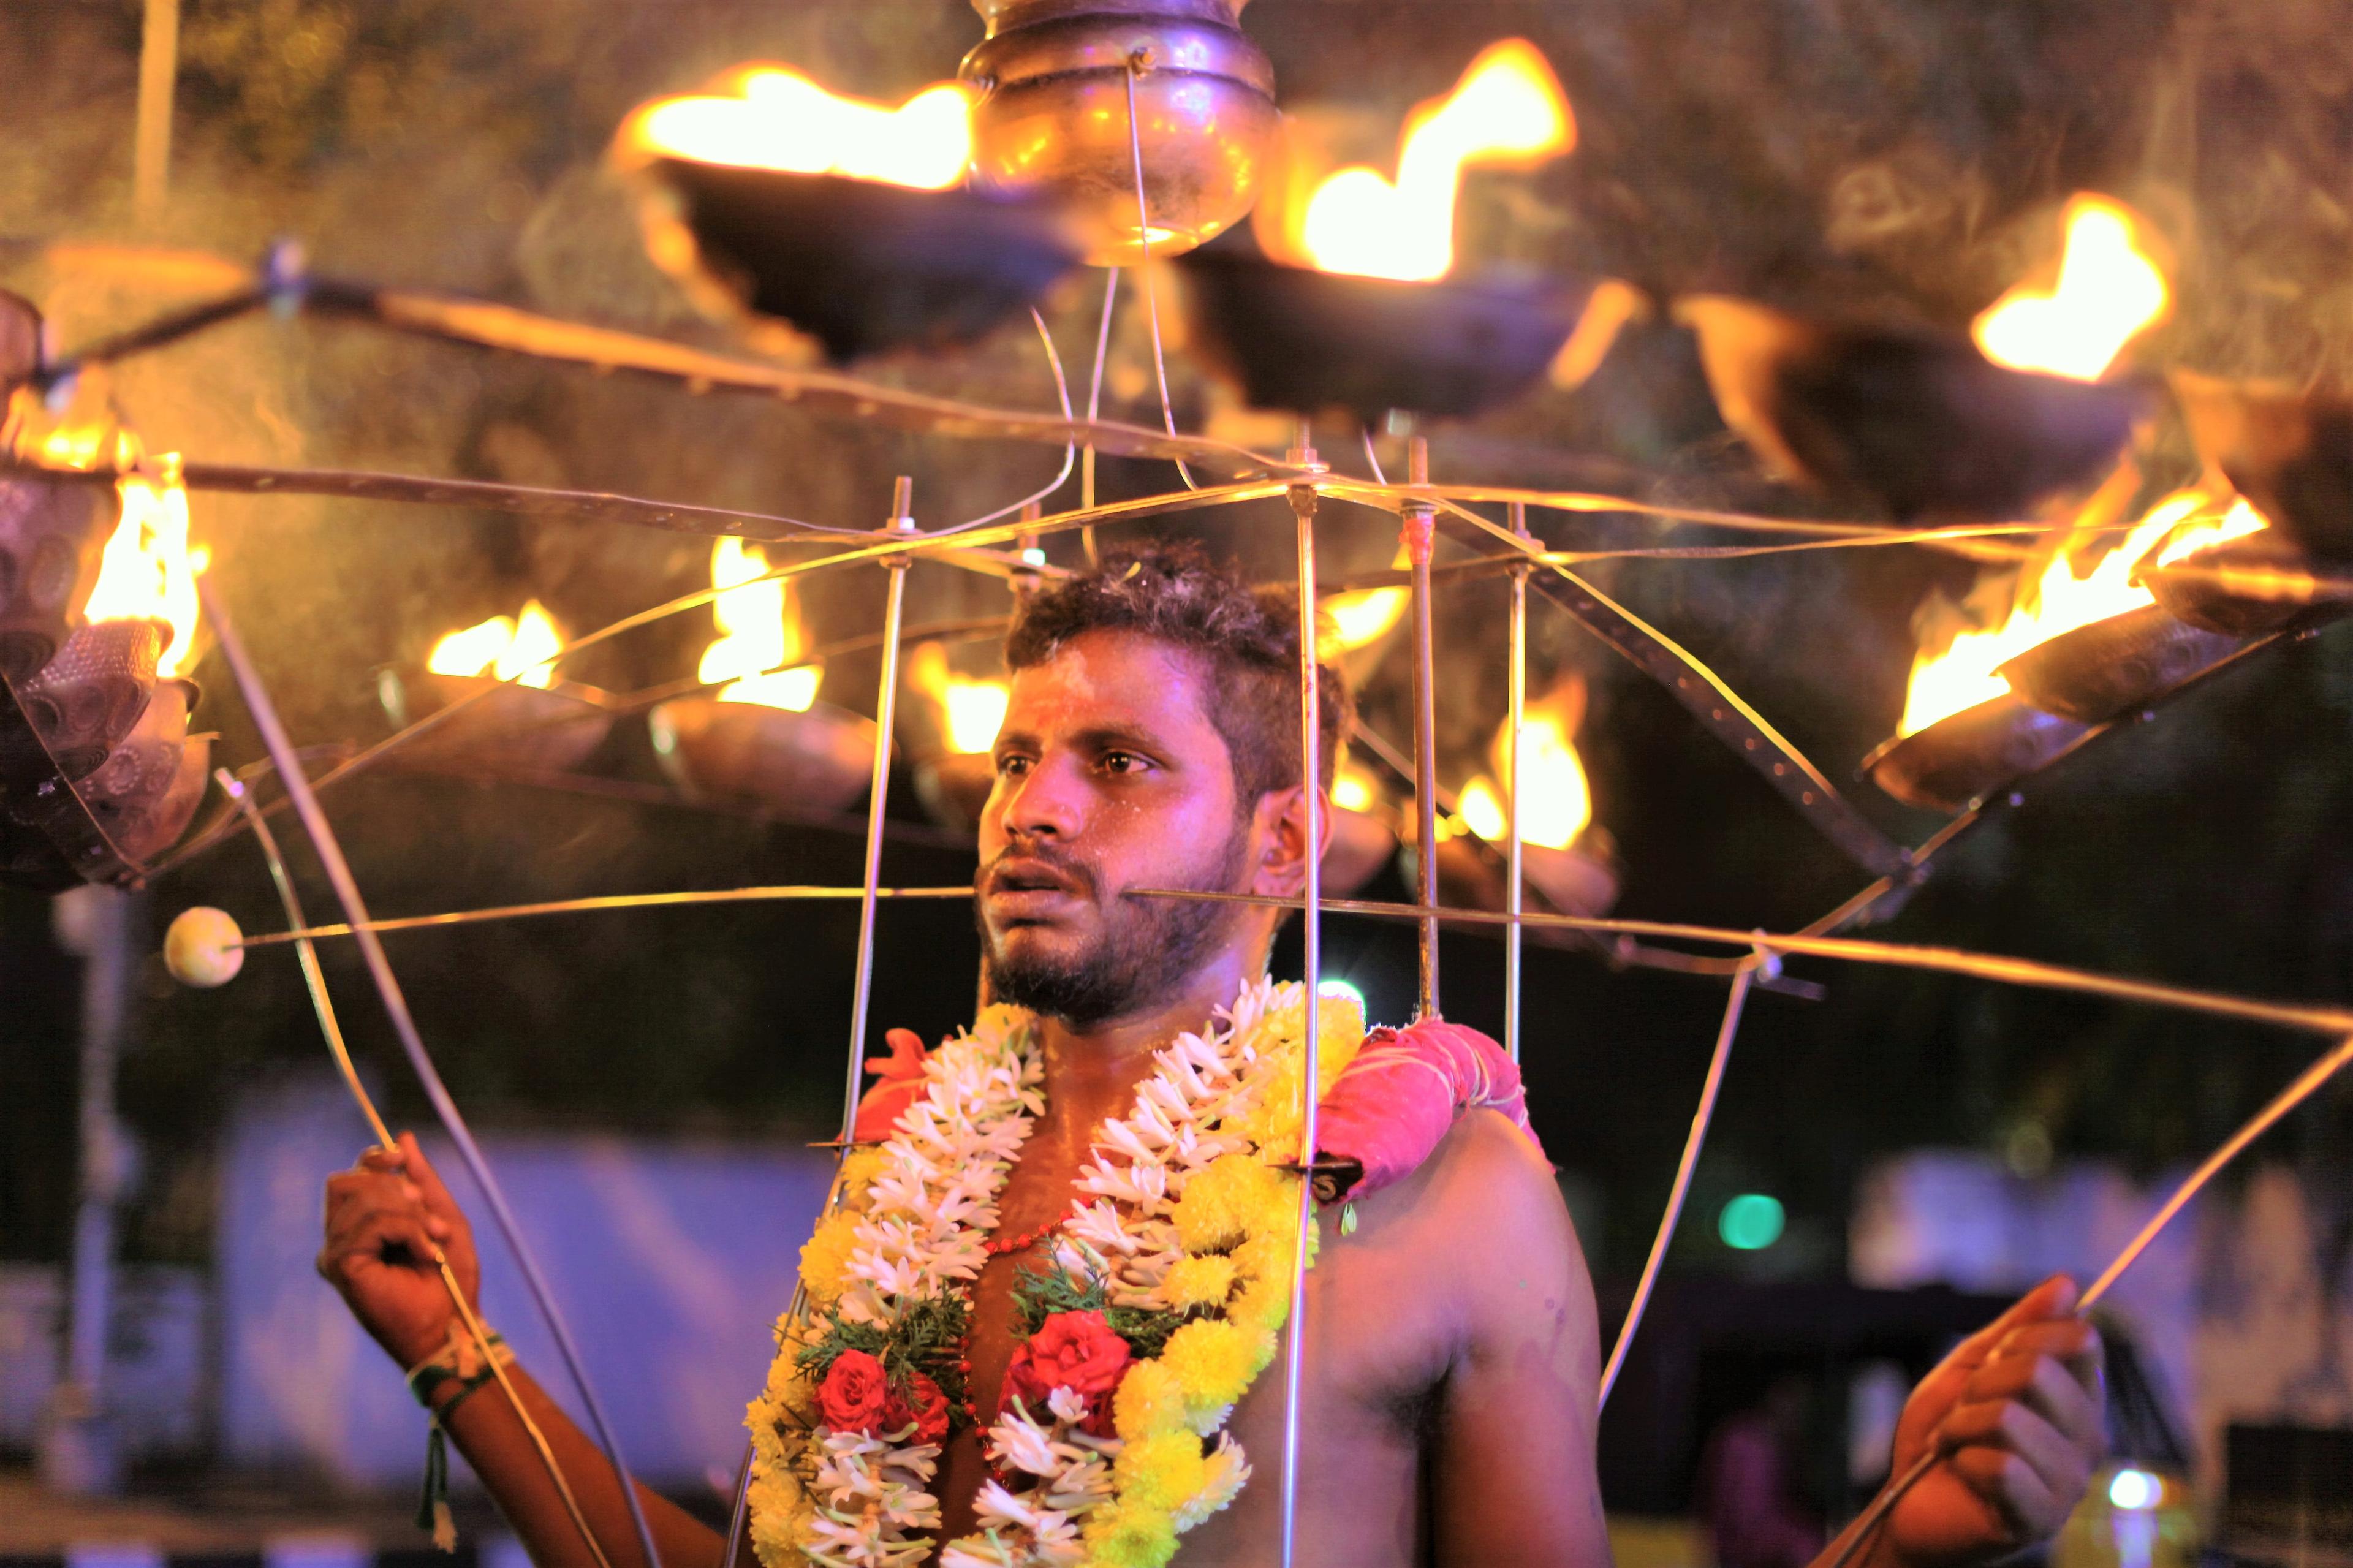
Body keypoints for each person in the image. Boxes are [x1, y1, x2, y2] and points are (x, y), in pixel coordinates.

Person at [318, 545, 2105, 1568]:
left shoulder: (1445, 1196)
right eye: (1020, 763)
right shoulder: (912, 1167)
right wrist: (454, 1354)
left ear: (1280, 850)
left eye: (1119, 763)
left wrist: (1894, 1552)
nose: (1035, 809)